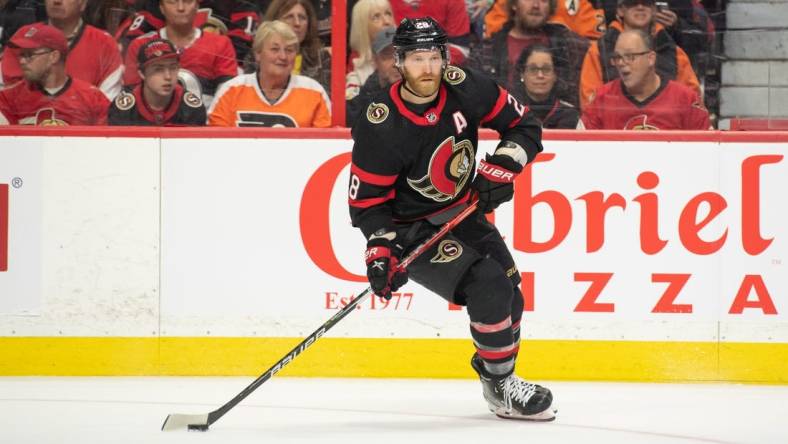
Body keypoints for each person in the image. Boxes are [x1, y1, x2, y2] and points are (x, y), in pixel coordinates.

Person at [348, 17, 555, 421]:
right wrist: (380, 248)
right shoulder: (380, 123)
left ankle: (498, 376)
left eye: (433, 57)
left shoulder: (465, 85)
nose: (427, 69)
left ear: (444, 57)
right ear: (399, 62)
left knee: (511, 294)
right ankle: (501, 386)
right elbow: (368, 203)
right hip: (411, 229)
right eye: (417, 59)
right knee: (489, 284)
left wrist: (503, 166)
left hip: (463, 210)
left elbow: (523, 125)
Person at [578, 0, 699, 109]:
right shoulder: (599, 50)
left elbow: (693, 102)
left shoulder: (674, 52)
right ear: (620, 10)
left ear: (654, 10)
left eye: (646, 3)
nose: (640, 7)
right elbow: (589, 104)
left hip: (665, 129)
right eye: (632, 3)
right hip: (614, 128)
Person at [207, 20, 330, 127]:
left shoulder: (314, 92)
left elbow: (326, 145)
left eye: (289, 50)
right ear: (258, 53)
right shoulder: (231, 91)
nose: (283, 56)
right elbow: (214, 142)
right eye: (275, 49)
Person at [580, 29, 710, 129]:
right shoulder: (601, 99)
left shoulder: (686, 100)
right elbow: (581, 149)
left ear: (651, 58)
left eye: (630, 56)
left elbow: (707, 151)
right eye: (617, 57)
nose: (621, 63)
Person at [468, 0, 588, 106]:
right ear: (514, 4)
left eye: (543, 0)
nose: (536, 5)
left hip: (557, 127)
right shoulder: (486, 51)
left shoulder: (568, 45)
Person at [1, 0, 124, 99]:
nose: (57, 1)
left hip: (83, 125)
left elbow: (106, 103)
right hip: (27, 122)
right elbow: (7, 93)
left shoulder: (105, 43)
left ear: (83, 4)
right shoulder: (23, 37)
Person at [123, 0, 239, 105]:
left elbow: (227, 98)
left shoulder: (221, 44)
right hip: (154, 124)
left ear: (197, 6)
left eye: (187, 1)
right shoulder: (140, 46)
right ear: (162, 8)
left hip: (206, 124)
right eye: (172, 2)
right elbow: (131, 99)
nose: (180, 8)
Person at [0, 23, 108, 125]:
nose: (22, 61)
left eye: (29, 55)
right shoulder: (8, 99)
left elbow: (108, 141)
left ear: (54, 57)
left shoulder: (93, 99)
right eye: (21, 55)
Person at [109, 38, 207, 125]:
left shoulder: (192, 109)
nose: (168, 76)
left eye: (173, 68)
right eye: (158, 69)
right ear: (142, 73)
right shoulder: (123, 110)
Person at [264, 0, 331, 95]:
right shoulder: (262, 54)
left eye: (302, 17)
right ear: (275, 21)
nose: (297, 23)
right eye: (289, 17)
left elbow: (327, 98)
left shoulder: (322, 58)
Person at [346, 26, 400, 125]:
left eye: (401, 55)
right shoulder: (359, 105)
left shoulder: (425, 99)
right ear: (375, 61)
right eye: (387, 55)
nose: (395, 63)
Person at [515, 45, 580, 128]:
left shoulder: (570, 115)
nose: (540, 75)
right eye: (533, 69)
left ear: (555, 75)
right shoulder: (510, 112)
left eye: (546, 69)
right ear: (522, 74)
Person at [389, 0, 471, 65]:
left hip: (442, 70)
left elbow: (460, 48)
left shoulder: (453, 1)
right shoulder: (382, 4)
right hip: (395, 68)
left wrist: (429, 66)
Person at [346, 0, 394, 100]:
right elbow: (353, 105)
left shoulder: (410, 53)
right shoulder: (356, 64)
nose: (386, 21)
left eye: (388, 14)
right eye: (376, 17)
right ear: (362, 26)